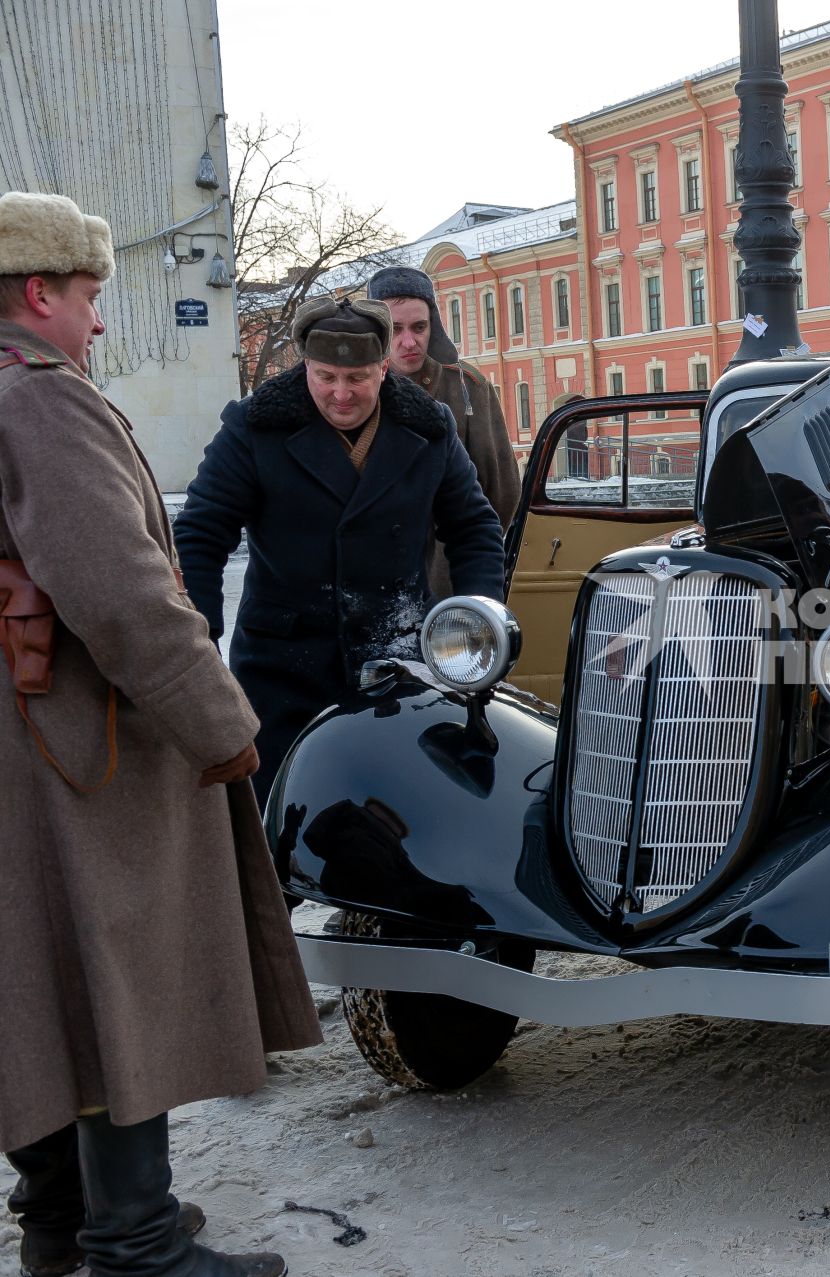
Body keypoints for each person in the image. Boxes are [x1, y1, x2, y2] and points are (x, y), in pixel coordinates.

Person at [0, 191, 319, 1277]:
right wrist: (222, 723)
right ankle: (134, 1247)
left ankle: (60, 1229)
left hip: (23, 754)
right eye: (90, 297)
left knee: (36, 986)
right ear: (41, 292)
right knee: (108, 978)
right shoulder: (41, 400)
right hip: (80, 755)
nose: (97, 323)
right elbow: (127, 594)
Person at [174, 296, 507, 806]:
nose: (341, 394)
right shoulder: (255, 427)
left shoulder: (428, 426)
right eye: (325, 376)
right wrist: (198, 647)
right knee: (277, 829)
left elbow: (475, 528)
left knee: (394, 824)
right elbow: (201, 532)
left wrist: (474, 631)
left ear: (383, 367)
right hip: (281, 668)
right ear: (305, 365)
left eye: (357, 379)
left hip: (397, 667)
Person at [364, 266, 521, 599]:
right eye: (395, 329)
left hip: (450, 579)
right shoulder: (356, 390)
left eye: (419, 327)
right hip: (375, 578)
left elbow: (502, 493)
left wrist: (471, 565)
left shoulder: (469, 388)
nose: (409, 341)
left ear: (432, 325)